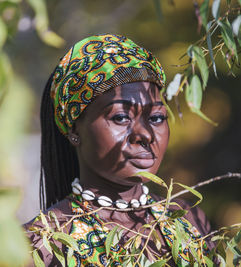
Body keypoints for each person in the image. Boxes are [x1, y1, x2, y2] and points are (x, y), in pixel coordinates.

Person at [24, 34, 212, 266]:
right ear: (74, 130)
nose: (145, 134)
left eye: (156, 118)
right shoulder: (40, 243)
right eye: (121, 117)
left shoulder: (188, 221)